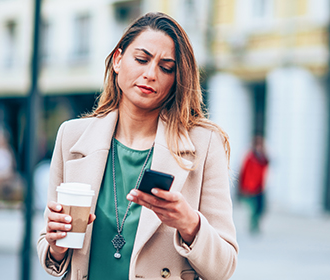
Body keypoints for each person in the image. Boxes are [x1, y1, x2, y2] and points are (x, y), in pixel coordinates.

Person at [37, 12, 238, 280]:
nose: (150, 74)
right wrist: (56, 245)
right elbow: (51, 249)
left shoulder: (205, 144)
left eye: (166, 68)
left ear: (177, 78)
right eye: (142, 59)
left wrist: (190, 224)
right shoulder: (72, 137)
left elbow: (224, 269)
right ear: (118, 60)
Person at [238, 135, 269, 236]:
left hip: (261, 187)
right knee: (253, 208)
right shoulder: (250, 158)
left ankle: (256, 224)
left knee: (261, 208)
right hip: (251, 187)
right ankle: (253, 226)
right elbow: (244, 172)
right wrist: (243, 187)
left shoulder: (264, 158)